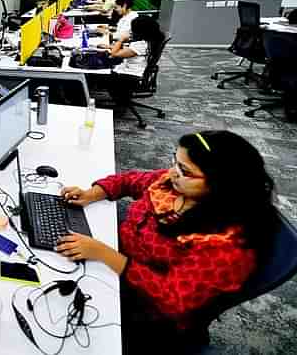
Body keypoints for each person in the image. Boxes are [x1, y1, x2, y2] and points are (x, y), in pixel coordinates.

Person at [56, 130, 276, 351]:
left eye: (185, 170)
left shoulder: (224, 247)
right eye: (175, 161)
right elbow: (130, 180)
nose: (172, 172)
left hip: (149, 312)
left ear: (221, 183)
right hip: (120, 262)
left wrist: (105, 255)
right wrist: (91, 194)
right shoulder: (172, 185)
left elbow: (171, 299)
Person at [96, 15, 164, 77]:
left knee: (97, 68)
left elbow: (114, 54)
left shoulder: (140, 45)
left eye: (132, 30)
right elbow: (129, 50)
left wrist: (121, 39)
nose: (131, 31)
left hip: (130, 75)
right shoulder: (148, 42)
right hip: (133, 71)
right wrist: (110, 47)